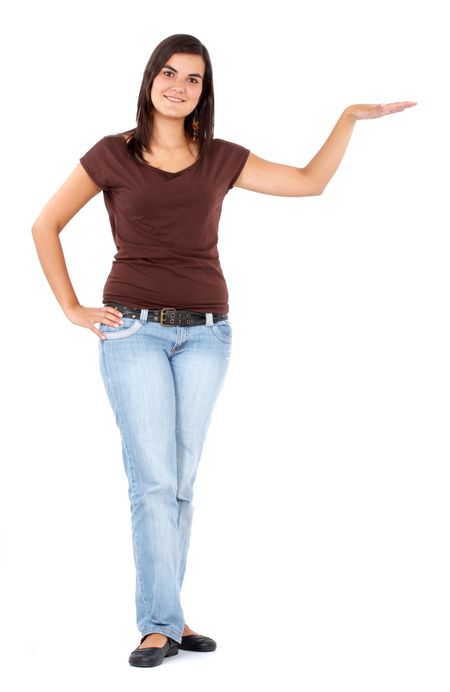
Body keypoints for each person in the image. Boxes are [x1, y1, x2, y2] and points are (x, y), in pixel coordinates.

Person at [31, 32, 416, 668]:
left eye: (194, 79)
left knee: (180, 481)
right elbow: (44, 224)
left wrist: (347, 119)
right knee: (152, 479)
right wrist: (71, 309)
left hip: (207, 334)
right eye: (170, 73)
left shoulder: (221, 158)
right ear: (150, 79)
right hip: (132, 331)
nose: (179, 86)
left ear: (204, 92)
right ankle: (157, 623)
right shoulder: (111, 155)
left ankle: (171, 617)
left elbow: (308, 182)